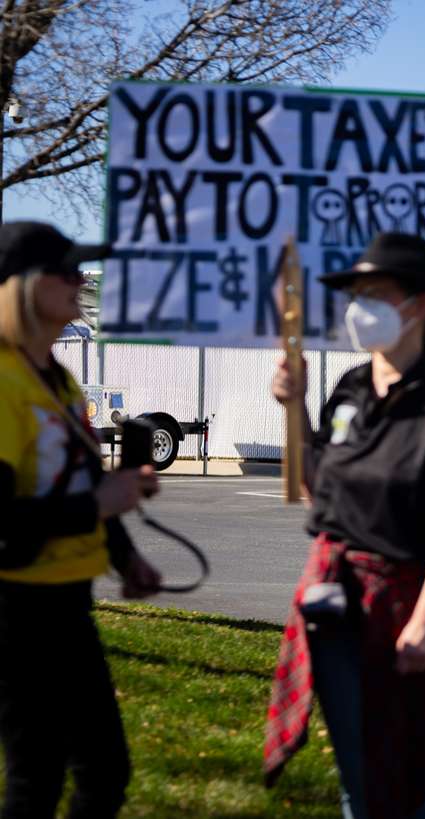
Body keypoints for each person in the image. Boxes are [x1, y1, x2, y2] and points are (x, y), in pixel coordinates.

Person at [263, 232, 425, 819]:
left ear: (416, 306)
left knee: (406, 769)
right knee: (356, 770)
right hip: (337, 601)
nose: (358, 308)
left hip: (404, 603)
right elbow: (320, 489)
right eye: (355, 294)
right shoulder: (351, 388)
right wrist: (294, 406)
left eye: (374, 294)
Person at [0, 221, 162, 819]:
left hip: (65, 604)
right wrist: (98, 504)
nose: (80, 280)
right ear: (19, 287)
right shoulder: (3, 383)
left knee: (103, 771)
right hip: (14, 612)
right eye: (65, 270)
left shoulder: (59, 380)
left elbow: (82, 484)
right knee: (35, 779)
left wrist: (126, 557)